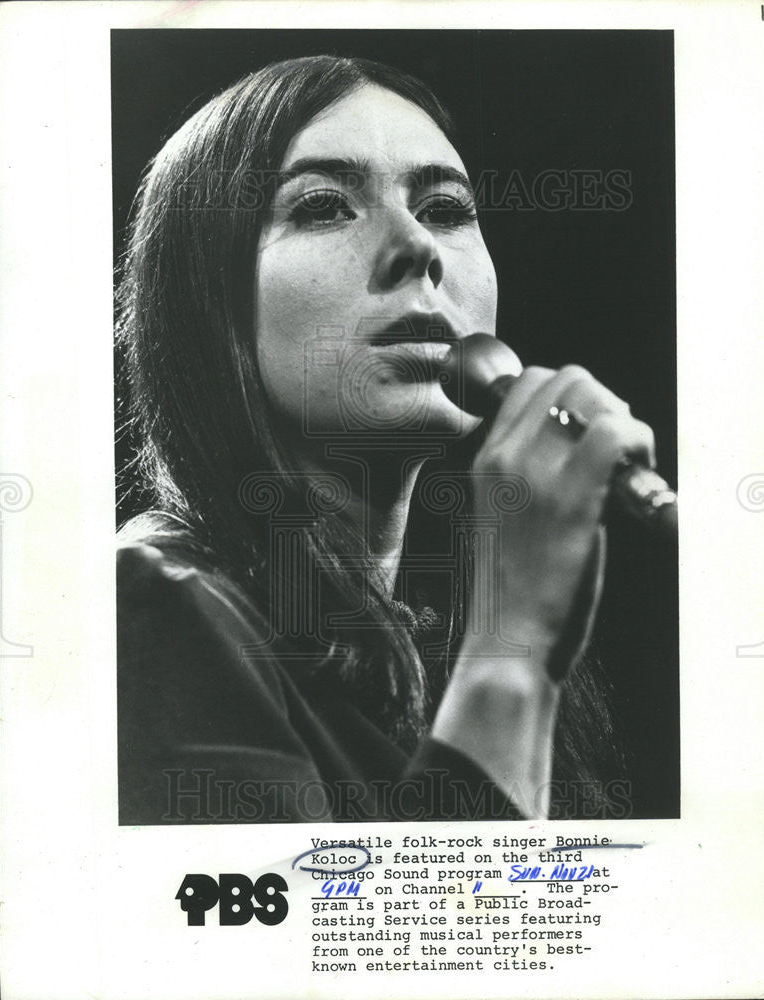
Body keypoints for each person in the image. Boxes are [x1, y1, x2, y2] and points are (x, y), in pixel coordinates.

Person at [116, 54, 655, 825]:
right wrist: (516, 654)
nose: (418, 248)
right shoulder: (151, 606)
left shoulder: (433, 652)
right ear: (207, 299)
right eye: (325, 206)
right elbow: (375, 946)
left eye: (444, 208)